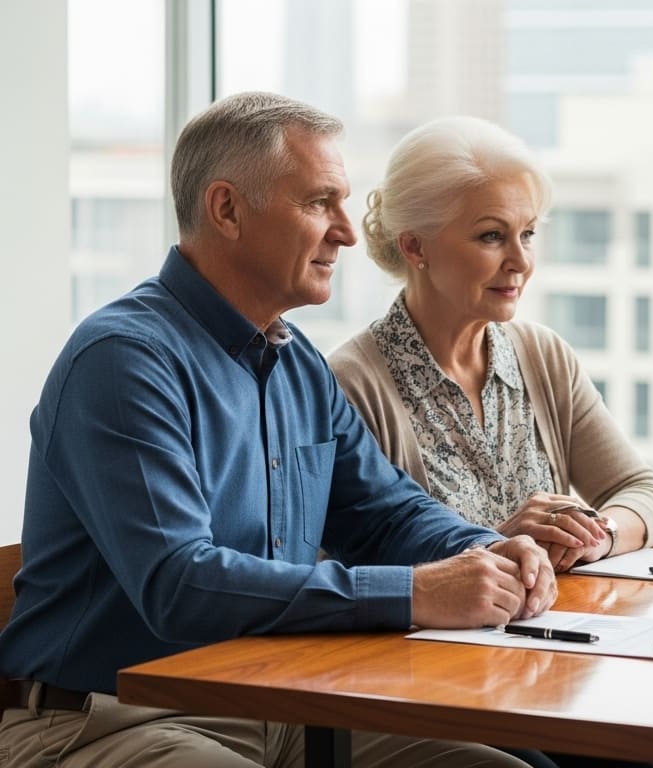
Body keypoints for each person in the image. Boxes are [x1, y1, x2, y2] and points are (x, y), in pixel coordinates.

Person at [0, 92, 556, 768]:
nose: (349, 233)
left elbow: (385, 515)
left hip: (274, 705)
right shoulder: (123, 360)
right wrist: (415, 593)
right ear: (227, 209)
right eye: (319, 203)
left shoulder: (298, 366)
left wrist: (489, 552)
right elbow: (180, 583)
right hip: (109, 720)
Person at [329, 116, 653, 576]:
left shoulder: (543, 356)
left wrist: (596, 535)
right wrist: (497, 544)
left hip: (559, 631)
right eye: (492, 236)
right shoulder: (350, 384)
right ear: (414, 247)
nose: (521, 261)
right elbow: (353, 565)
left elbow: (646, 492)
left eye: (527, 233)